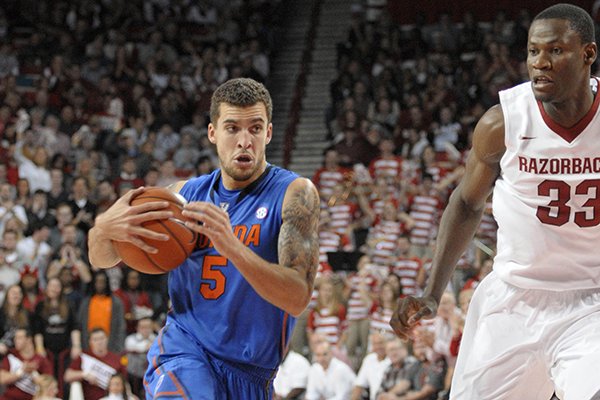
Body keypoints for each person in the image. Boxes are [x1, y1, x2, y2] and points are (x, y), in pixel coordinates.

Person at [391, 4, 600, 400]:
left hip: (592, 299)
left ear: (588, 54)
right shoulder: (502, 122)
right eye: (533, 51)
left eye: (555, 51)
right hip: (513, 298)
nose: (540, 63)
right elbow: (467, 204)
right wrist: (433, 292)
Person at [88, 77, 320, 399]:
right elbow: (101, 257)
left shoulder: (294, 194)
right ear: (213, 133)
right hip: (184, 353)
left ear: (268, 133)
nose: (244, 141)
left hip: (252, 376)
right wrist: (103, 228)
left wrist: (232, 246)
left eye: (254, 128)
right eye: (232, 128)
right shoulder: (181, 197)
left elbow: (297, 297)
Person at [64, 328, 128, 400]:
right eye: (95, 339)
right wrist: (85, 374)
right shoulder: (84, 357)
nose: (99, 342)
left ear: (107, 339)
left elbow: (124, 382)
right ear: (90, 342)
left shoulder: (117, 359)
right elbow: (67, 376)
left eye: (102, 338)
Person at [0, 328, 53, 400]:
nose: (15, 340)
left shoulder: (41, 360)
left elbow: (49, 383)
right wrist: (21, 371)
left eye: (19, 338)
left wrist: (33, 373)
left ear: (29, 339)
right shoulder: (11, 357)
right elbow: (2, 379)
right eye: (15, 338)